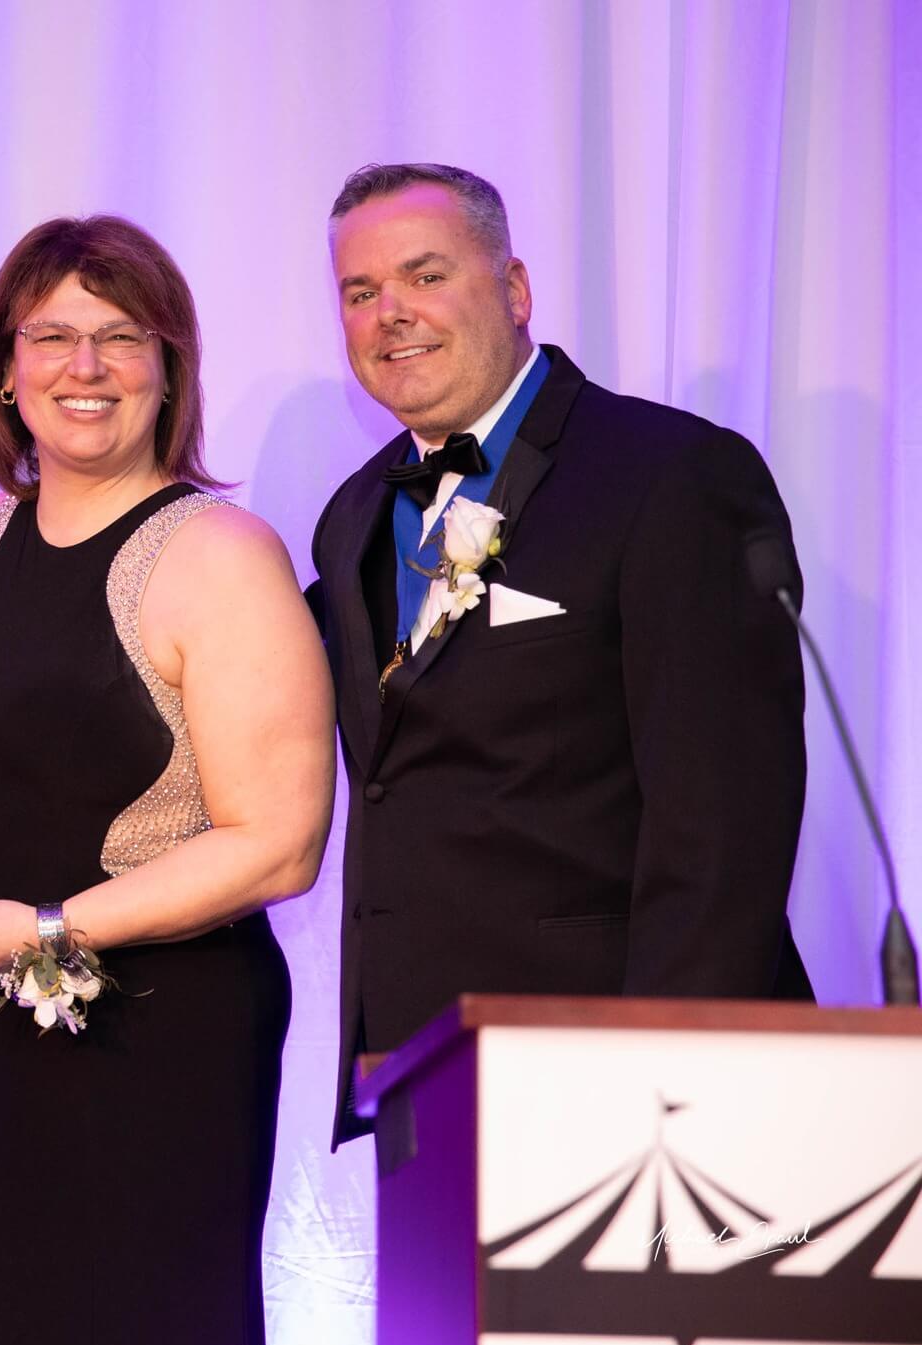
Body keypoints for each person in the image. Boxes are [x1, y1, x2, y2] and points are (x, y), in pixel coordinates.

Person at [0, 215, 335, 1345]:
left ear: (167, 369)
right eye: (53, 337)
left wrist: (43, 934)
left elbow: (279, 844)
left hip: (148, 1047)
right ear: (4, 371)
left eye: (120, 338)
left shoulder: (220, 551)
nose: (84, 367)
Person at [309, 162, 814, 1146]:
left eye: (424, 275)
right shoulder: (354, 513)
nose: (390, 314)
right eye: (359, 292)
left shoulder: (667, 475)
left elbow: (720, 821)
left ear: (514, 289)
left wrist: (656, 1074)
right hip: (426, 1077)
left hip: (631, 1082)